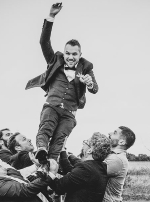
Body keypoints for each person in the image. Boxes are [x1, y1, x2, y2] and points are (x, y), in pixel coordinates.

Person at [26, 2, 98, 166]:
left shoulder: (87, 67)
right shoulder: (55, 60)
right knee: (45, 129)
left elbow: (95, 90)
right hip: (52, 105)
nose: (70, 57)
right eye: (67, 53)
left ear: (80, 55)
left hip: (69, 113)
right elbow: (44, 42)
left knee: (59, 140)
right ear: (63, 53)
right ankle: (41, 150)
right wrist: (51, 16)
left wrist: (90, 83)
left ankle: (51, 164)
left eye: (74, 54)